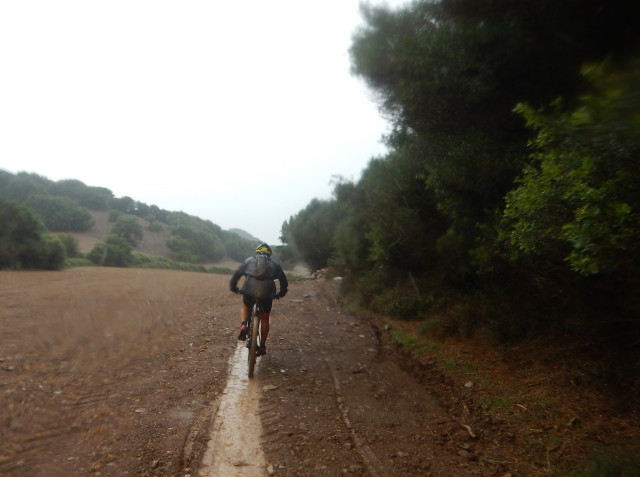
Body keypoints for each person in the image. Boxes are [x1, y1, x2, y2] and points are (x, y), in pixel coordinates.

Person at [230, 243, 287, 356]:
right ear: (269, 254)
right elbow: (283, 281)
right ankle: (263, 346)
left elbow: (237, 274)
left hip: (249, 290)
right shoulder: (275, 264)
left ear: (257, 252)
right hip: (266, 293)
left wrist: (234, 287)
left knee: (246, 308)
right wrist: (281, 293)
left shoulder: (249, 260)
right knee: (265, 318)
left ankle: (243, 325)